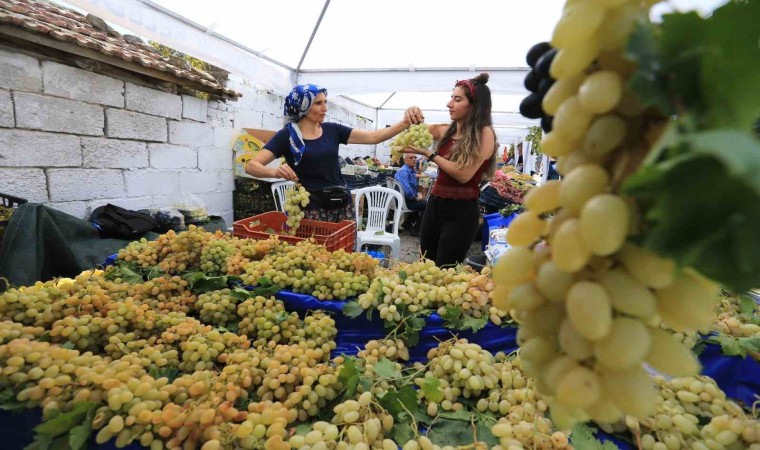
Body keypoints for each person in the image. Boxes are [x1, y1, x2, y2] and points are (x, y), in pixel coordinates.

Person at [245, 84, 422, 223]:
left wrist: (405, 122)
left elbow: (373, 137)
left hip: (342, 205)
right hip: (311, 209)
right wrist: (274, 172)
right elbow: (251, 166)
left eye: (325, 102)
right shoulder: (287, 136)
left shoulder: (332, 130)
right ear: (303, 107)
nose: (325, 108)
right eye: (318, 103)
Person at [403, 73, 497, 267]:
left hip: (461, 212)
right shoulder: (447, 131)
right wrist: (410, 114)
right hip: (435, 205)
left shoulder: (485, 134)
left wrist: (430, 154)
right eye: (451, 97)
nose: (449, 104)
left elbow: (463, 174)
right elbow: (411, 131)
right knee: (425, 264)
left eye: (457, 99)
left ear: (474, 105)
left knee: (445, 269)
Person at [394, 153, 427, 234]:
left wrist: (418, 195)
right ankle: (416, 229)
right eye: (411, 157)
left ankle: (407, 224)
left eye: (415, 157)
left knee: (423, 203)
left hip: (406, 199)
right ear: (405, 160)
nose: (414, 159)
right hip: (404, 200)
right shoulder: (404, 171)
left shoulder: (410, 171)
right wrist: (415, 197)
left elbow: (413, 186)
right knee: (428, 205)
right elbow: (407, 190)